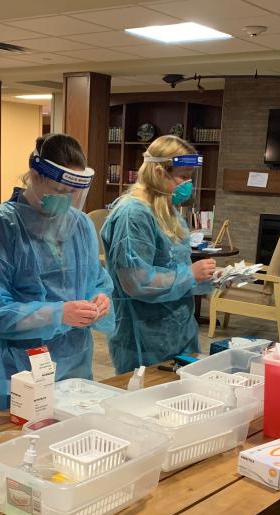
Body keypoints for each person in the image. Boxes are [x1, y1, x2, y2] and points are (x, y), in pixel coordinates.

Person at [0, 133, 114, 418]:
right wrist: (57, 314)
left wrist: (100, 299)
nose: (66, 201)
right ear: (34, 175)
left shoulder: (81, 226)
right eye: (59, 191)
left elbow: (97, 280)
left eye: (72, 194)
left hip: (73, 367)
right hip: (14, 372)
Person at [100, 135, 216, 374]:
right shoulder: (133, 214)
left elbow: (175, 270)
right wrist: (191, 275)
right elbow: (138, 282)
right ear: (160, 172)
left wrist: (209, 277)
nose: (187, 184)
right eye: (183, 177)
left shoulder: (166, 210)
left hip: (177, 331)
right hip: (143, 337)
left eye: (190, 178)